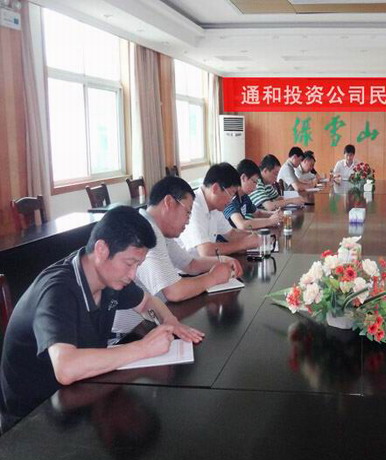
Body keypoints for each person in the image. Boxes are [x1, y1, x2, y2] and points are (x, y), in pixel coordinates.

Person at [0, 207, 204, 432]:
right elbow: (66, 368)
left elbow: (147, 302)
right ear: (101, 250)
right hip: (31, 421)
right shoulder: (57, 291)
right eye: (129, 263)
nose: (133, 274)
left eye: (138, 265)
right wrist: (143, 348)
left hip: (76, 394)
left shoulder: (108, 276)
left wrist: (169, 320)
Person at [136, 176, 243, 303]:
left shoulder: (159, 231)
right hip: (145, 316)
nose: (188, 221)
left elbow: (191, 264)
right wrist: (213, 277)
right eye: (187, 212)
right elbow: (174, 292)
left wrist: (223, 260)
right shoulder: (145, 232)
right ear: (169, 202)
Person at [178, 162, 262, 257]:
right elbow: (205, 251)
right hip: (190, 265)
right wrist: (242, 244)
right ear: (215, 188)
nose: (231, 201)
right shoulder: (193, 206)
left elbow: (231, 234)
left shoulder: (215, 207)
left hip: (207, 263)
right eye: (231, 194)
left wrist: (256, 236)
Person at [223, 159, 284, 230]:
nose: (256, 187)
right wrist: (270, 221)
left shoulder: (244, 197)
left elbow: (258, 213)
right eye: (254, 182)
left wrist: (274, 214)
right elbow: (242, 225)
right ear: (243, 178)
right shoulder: (230, 198)